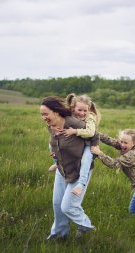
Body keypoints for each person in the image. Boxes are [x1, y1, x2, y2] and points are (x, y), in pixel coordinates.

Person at [40, 96, 97, 240]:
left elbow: (94, 135)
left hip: (78, 170)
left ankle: (86, 226)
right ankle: (59, 235)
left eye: (46, 114)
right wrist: (56, 153)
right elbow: (55, 142)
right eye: (42, 114)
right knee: (57, 204)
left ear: (56, 112)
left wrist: (94, 149)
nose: (43, 117)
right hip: (62, 169)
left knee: (68, 206)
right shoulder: (51, 125)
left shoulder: (73, 123)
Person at [48, 93, 101, 197]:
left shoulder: (90, 117)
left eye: (85, 110)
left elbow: (90, 133)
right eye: (79, 110)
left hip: (89, 143)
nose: (82, 113)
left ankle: (81, 184)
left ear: (88, 110)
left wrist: (75, 131)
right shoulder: (70, 115)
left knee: (86, 160)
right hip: (79, 141)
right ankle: (57, 162)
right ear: (73, 108)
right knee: (51, 145)